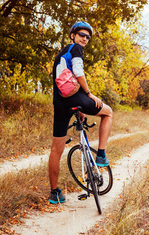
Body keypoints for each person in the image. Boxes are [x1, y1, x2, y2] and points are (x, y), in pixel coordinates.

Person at [48, 21, 113, 204]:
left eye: (87, 36)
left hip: (59, 102)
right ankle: (100, 155)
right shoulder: (76, 48)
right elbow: (78, 71)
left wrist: (80, 109)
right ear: (73, 36)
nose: (84, 38)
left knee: (56, 149)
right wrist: (89, 94)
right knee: (107, 113)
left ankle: (54, 193)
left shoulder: (60, 55)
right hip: (74, 98)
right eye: (81, 35)